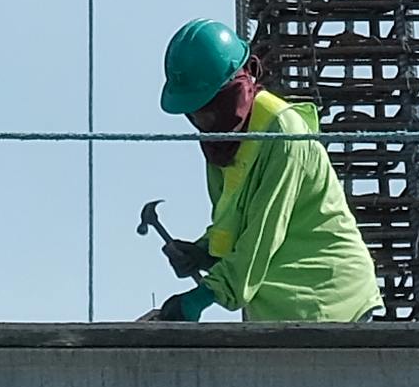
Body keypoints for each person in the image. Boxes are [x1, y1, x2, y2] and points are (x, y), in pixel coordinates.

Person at [140, 20, 377, 327]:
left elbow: (264, 230)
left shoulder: (284, 134)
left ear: (242, 81)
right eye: (195, 111)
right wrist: (205, 252)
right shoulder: (222, 142)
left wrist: (204, 296)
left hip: (330, 302)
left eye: (209, 106)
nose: (202, 119)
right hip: (281, 311)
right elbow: (237, 220)